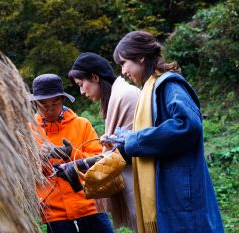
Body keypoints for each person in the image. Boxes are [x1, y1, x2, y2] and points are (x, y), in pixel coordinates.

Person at [100, 31, 224, 232]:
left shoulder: (169, 85)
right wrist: (120, 141)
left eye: (124, 63)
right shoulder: (150, 89)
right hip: (168, 191)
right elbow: (153, 140)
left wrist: (133, 139)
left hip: (181, 192)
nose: (123, 71)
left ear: (140, 57)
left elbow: (187, 125)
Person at [30, 74, 114, 233]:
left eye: (54, 103)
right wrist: (38, 159)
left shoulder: (82, 124)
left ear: (63, 100)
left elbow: (100, 160)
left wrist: (72, 154)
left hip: (90, 206)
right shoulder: (29, 131)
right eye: (43, 105)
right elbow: (23, 173)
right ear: (35, 103)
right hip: (55, 213)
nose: (49, 110)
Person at [68, 52, 140, 231]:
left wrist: (80, 163)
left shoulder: (126, 96)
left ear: (94, 77)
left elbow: (132, 147)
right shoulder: (115, 100)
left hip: (145, 183)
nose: (82, 91)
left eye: (81, 84)